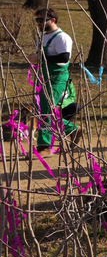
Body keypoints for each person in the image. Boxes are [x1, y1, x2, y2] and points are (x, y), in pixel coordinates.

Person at [27, 8, 81, 156]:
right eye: (37, 20)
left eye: (42, 20)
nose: (39, 23)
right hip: (44, 76)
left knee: (47, 110)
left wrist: (41, 59)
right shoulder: (42, 37)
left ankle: (44, 146)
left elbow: (64, 58)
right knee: (42, 110)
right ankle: (72, 129)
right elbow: (41, 56)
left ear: (53, 20)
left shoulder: (62, 37)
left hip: (57, 77)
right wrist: (34, 57)